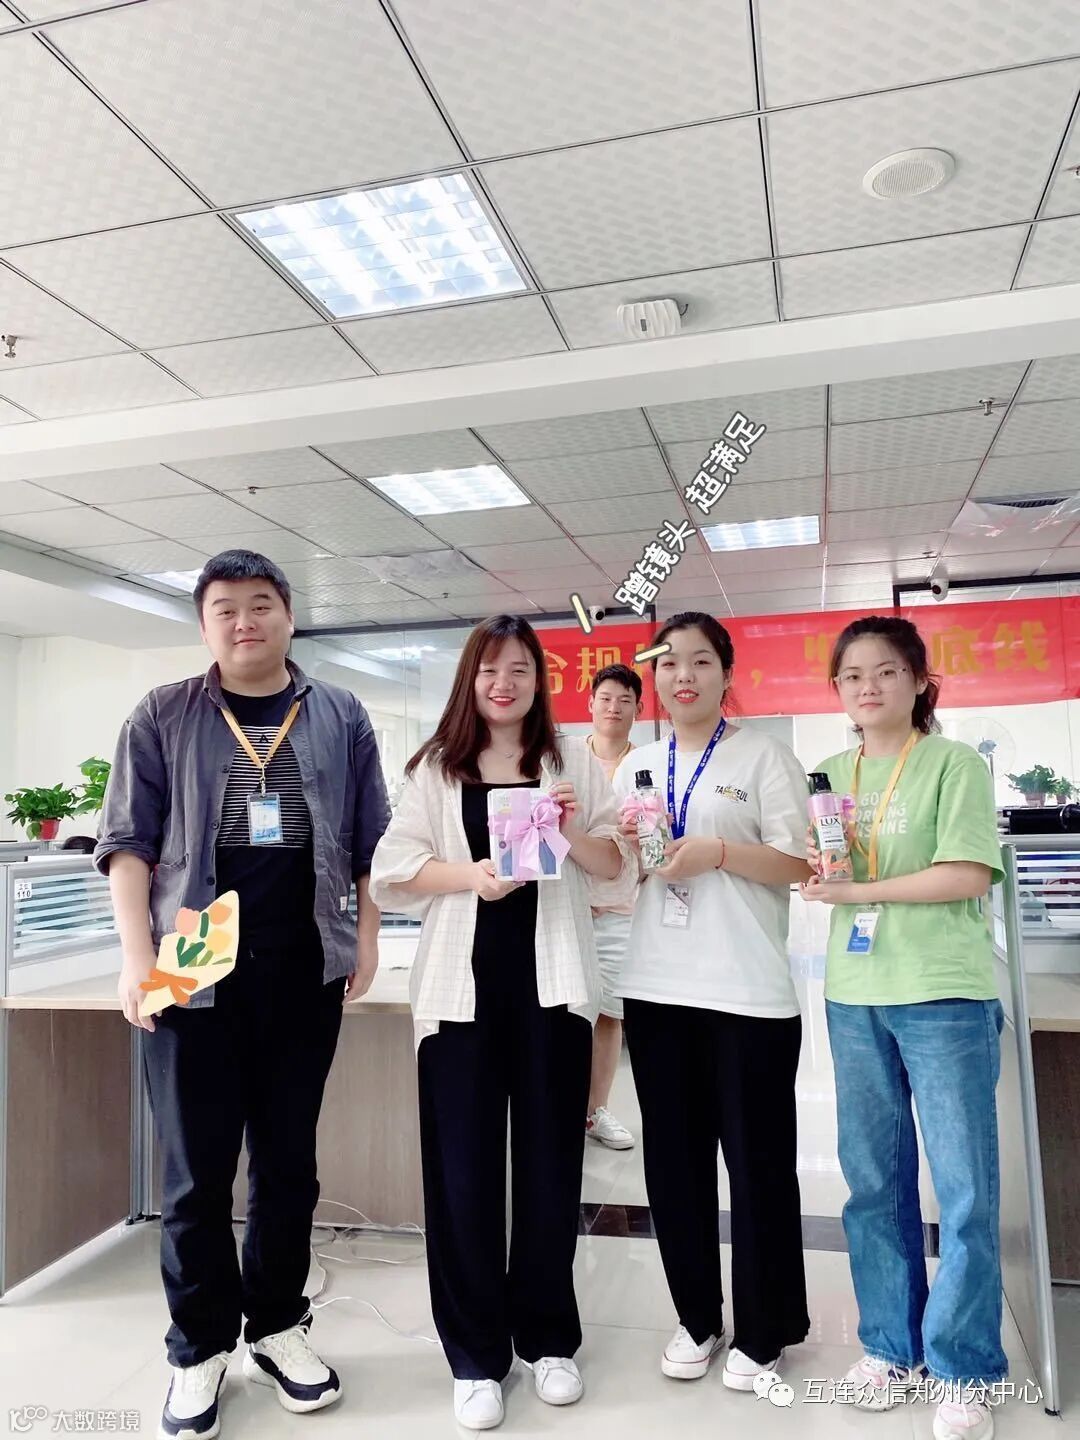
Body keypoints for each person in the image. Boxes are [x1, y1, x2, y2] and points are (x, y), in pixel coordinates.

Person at [95, 550, 389, 1440]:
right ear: (204, 625)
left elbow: (372, 842)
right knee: (194, 1176)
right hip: (190, 969)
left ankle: (276, 1326)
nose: (244, 621)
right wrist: (136, 960)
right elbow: (128, 843)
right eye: (224, 608)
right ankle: (197, 1348)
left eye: (261, 604)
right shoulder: (163, 713)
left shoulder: (339, 712)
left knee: (288, 1166)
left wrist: (367, 938)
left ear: (290, 615)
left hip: (303, 962)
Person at [368, 614, 633, 1432]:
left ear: (538, 680)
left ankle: (548, 1339)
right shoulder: (435, 767)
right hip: (460, 1000)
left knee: (552, 1172)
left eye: (519, 669)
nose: (504, 683)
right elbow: (391, 871)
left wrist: (570, 827)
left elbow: (614, 867)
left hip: (553, 992)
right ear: (470, 680)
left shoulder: (569, 761)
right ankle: (476, 1357)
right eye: (489, 670)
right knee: (463, 1180)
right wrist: (471, 876)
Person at [801, 616, 1006, 1440]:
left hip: (943, 993)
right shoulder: (830, 771)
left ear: (920, 681)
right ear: (837, 690)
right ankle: (892, 1347)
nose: (869, 687)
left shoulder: (952, 765)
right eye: (853, 676)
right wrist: (820, 870)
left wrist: (854, 893)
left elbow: (966, 874)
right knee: (873, 1182)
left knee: (964, 1190)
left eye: (886, 671)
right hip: (855, 993)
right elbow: (828, 866)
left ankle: (965, 1366)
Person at [612, 611, 812, 1391]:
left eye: (700, 661)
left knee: (757, 1167)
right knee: (674, 1166)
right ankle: (697, 1317)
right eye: (668, 664)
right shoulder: (637, 764)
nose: (682, 676)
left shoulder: (763, 755)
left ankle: (764, 1329)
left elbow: (799, 864)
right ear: (654, 679)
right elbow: (627, 868)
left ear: (728, 674)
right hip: (656, 986)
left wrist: (720, 852)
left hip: (747, 993)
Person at [585, 663, 644, 1151]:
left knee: (609, 1014)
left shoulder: (645, 768)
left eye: (625, 700)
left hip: (620, 911)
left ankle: (595, 1112)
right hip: (567, 908)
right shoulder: (561, 760)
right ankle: (555, 1109)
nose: (614, 707)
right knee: (563, 1012)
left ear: (638, 709)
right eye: (606, 698)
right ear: (590, 704)